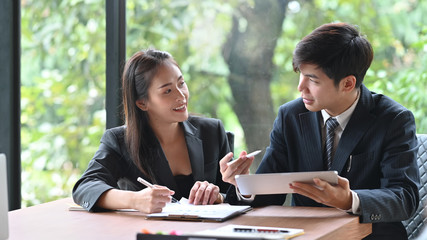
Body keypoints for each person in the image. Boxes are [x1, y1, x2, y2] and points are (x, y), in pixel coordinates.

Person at [220, 22, 420, 239]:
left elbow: (404, 198)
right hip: (306, 235)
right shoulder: (290, 116)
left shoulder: (393, 119)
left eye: (312, 79)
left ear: (348, 84)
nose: (300, 87)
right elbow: (269, 194)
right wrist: (243, 184)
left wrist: (349, 199)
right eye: (301, 74)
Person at [73, 49, 244, 213]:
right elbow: (85, 187)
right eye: (167, 90)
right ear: (142, 103)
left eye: (181, 83)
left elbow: (234, 194)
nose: (181, 95)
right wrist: (135, 200)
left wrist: (220, 196)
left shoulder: (211, 131)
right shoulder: (120, 141)